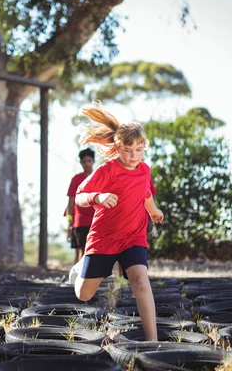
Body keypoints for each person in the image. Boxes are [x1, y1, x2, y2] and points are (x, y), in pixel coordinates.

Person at [69, 102, 164, 341]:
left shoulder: (144, 170)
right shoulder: (107, 170)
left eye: (139, 150)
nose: (134, 156)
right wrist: (98, 196)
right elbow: (80, 196)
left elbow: (145, 194)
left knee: (141, 282)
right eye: (128, 150)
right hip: (104, 238)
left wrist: (153, 211)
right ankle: (78, 270)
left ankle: (152, 341)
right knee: (83, 294)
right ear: (118, 147)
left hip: (133, 237)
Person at [65, 148, 96, 264]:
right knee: (80, 251)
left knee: (94, 252)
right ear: (81, 163)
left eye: (89, 161)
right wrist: (69, 221)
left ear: (93, 161)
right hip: (80, 221)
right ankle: (76, 278)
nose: (86, 164)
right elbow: (71, 201)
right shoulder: (76, 179)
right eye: (84, 161)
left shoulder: (99, 176)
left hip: (96, 221)